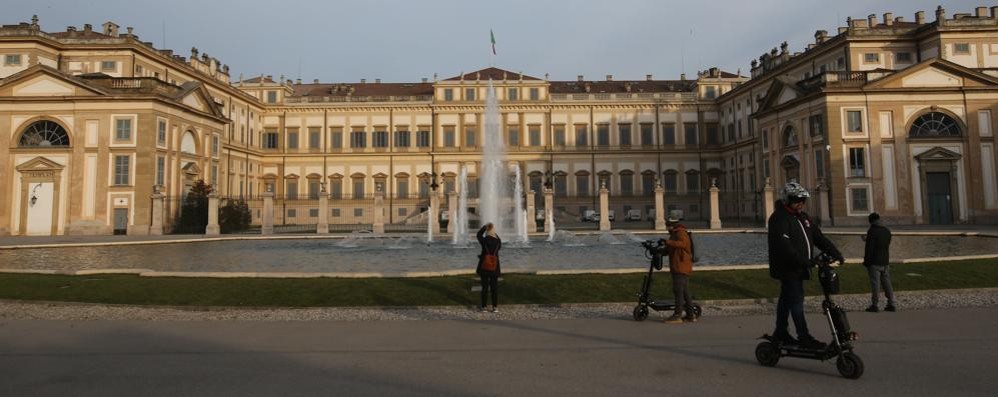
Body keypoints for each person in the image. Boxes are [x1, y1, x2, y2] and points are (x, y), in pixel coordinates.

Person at [768, 181, 844, 349]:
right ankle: (803, 336)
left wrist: (835, 252)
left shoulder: (802, 217)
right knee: (796, 302)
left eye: (803, 200)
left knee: (786, 300)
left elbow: (818, 237)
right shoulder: (779, 218)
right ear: (787, 199)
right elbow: (784, 246)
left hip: (799, 268)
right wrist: (806, 262)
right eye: (797, 200)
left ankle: (781, 332)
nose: (801, 203)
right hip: (788, 268)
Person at [661, 218, 696, 324]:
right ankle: (690, 315)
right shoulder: (675, 234)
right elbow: (672, 248)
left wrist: (667, 242)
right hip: (679, 266)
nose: (667, 228)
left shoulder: (680, 232)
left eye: (668, 226)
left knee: (678, 292)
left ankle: (677, 315)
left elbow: (683, 244)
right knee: (685, 292)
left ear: (672, 225)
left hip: (681, 267)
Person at [863, 212, 896, 312]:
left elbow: (870, 248)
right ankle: (891, 303)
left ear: (871, 221)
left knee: (875, 284)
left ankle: (875, 305)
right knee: (887, 283)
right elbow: (884, 244)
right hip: (885, 261)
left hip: (874, 262)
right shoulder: (886, 231)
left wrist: (866, 261)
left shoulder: (872, 231)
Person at [476, 222, 502, 313]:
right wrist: (493, 231)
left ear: (487, 231)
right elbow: (499, 240)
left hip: (484, 266)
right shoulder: (498, 241)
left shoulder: (484, 241)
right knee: (494, 288)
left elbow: (478, 235)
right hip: (494, 267)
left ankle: (484, 307)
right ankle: (495, 307)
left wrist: (484, 227)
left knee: (485, 288)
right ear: (494, 232)